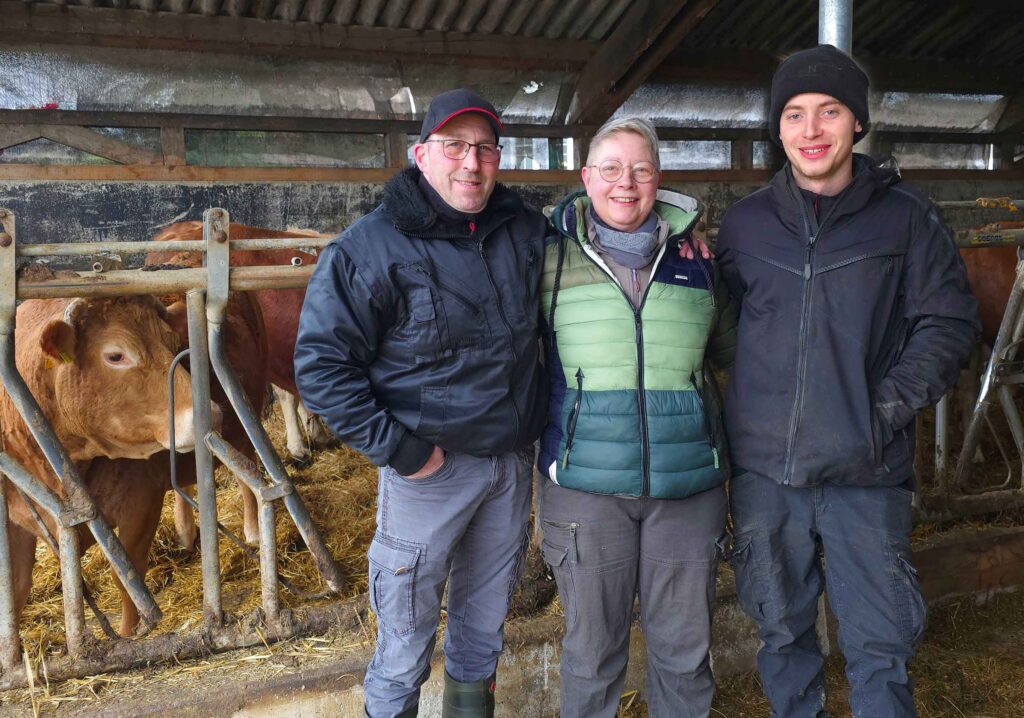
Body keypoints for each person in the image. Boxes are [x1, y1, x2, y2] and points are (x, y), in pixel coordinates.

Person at [716, 44, 980, 717]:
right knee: (781, 635)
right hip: (767, 477)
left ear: (857, 123)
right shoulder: (744, 227)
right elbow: (720, 331)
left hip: (867, 471)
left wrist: (881, 411)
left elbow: (947, 324)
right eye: (795, 115)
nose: (811, 131)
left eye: (829, 112)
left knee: (880, 643)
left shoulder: (906, 218)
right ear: (777, 129)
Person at [294, 88, 548, 718]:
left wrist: (679, 242)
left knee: (482, 632)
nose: (472, 162)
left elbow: (602, 242)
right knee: (405, 640)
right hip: (427, 472)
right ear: (421, 154)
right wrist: (403, 452)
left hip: (508, 467)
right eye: (455, 146)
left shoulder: (521, 229)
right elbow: (322, 368)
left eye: (486, 149)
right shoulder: (370, 247)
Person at [537, 116, 738, 718]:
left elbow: (728, 353)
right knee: (592, 653)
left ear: (658, 180)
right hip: (584, 491)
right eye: (611, 168)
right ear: (585, 178)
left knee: (684, 652)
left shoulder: (698, 262)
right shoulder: (545, 262)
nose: (626, 183)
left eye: (641, 169)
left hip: (688, 487)